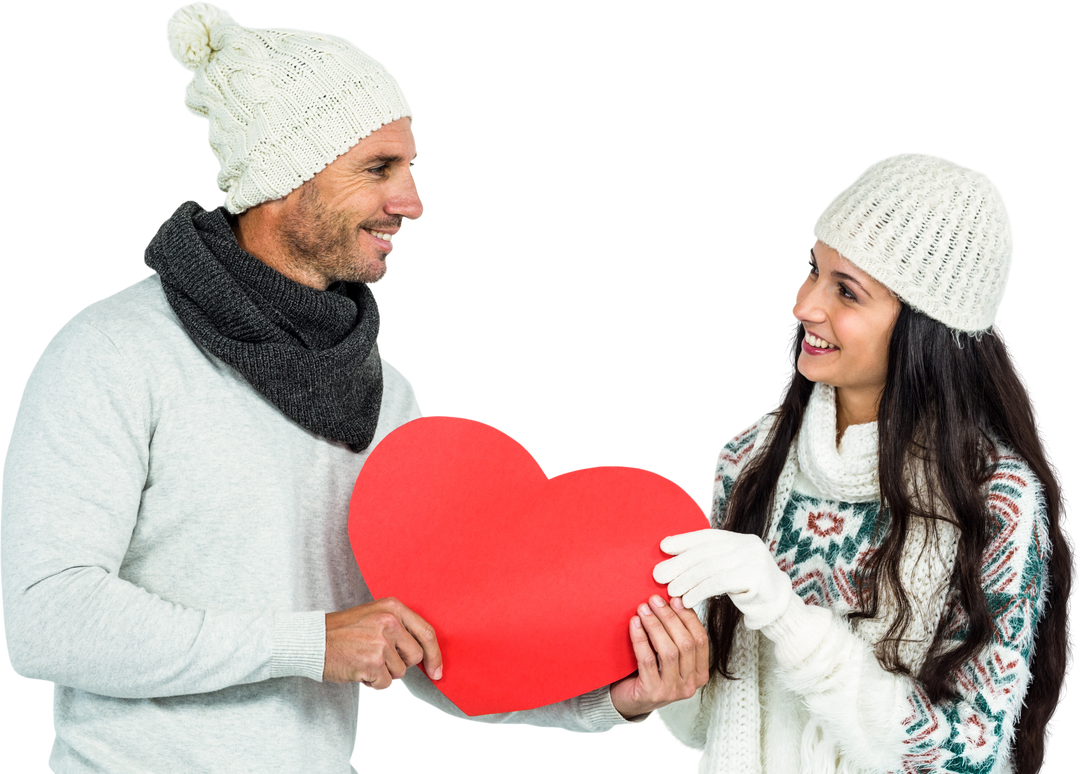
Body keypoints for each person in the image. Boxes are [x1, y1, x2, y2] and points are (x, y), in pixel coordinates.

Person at [0, 2, 708, 772]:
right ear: (283, 175)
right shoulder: (114, 352)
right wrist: (311, 642)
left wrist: (613, 701)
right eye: (378, 168)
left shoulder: (383, 393)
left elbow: (425, 651)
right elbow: (48, 622)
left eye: (411, 167)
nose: (413, 202)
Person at [649, 150, 1078, 773]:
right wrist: (664, 681)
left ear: (926, 330)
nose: (804, 306)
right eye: (811, 269)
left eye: (846, 291)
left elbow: (967, 754)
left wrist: (787, 617)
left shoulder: (996, 500)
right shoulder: (747, 461)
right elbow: (708, 721)